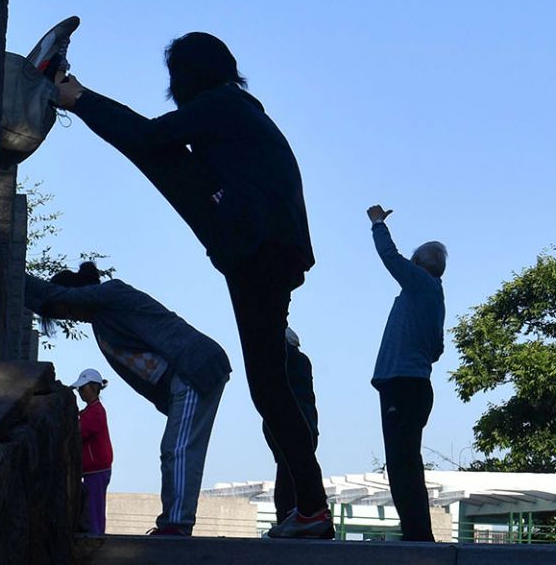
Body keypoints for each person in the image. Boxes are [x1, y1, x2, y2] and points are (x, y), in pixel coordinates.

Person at [54, 32, 334, 539]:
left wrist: (81, 101)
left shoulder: (220, 106)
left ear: (187, 77)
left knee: (269, 388)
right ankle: (310, 507)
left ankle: (312, 508)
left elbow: (149, 137)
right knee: (270, 386)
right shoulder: (239, 111)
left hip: (257, 253)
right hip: (264, 251)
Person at [25, 263, 231, 537]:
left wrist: (12, 271)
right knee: (175, 448)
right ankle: (174, 521)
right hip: (185, 377)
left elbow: (57, 294)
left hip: (194, 368)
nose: (72, 317)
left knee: (179, 448)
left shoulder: (110, 293)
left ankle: (177, 524)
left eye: (69, 311)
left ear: (77, 296)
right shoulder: (101, 323)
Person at [366, 204, 446, 542]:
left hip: (402, 384)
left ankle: (416, 534)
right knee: (406, 461)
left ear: (419, 265)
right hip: (414, 384)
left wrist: (378, 224)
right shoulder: (433, 298)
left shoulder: (420, 284)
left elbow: (390, 258)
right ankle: (416, 531)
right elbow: (437, 349)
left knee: (401, 463)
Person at [268, 327, 321, 523]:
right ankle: (296, 515)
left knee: (285, 470)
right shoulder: (302, 362)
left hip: (288, 424)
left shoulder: (281, 359)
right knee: (293, 470)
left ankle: (286, 516)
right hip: (308, 425)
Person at [72, 368, 114, 536]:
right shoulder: (91, 411)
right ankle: (94, 536)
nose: (81, 392)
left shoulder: (95, 412)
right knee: (92, 505)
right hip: (93, 468)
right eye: (79, 389)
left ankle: (96, 539)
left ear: (93, 388)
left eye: (83, 388)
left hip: (97, 468)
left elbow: (79, 431)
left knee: (94, 507)